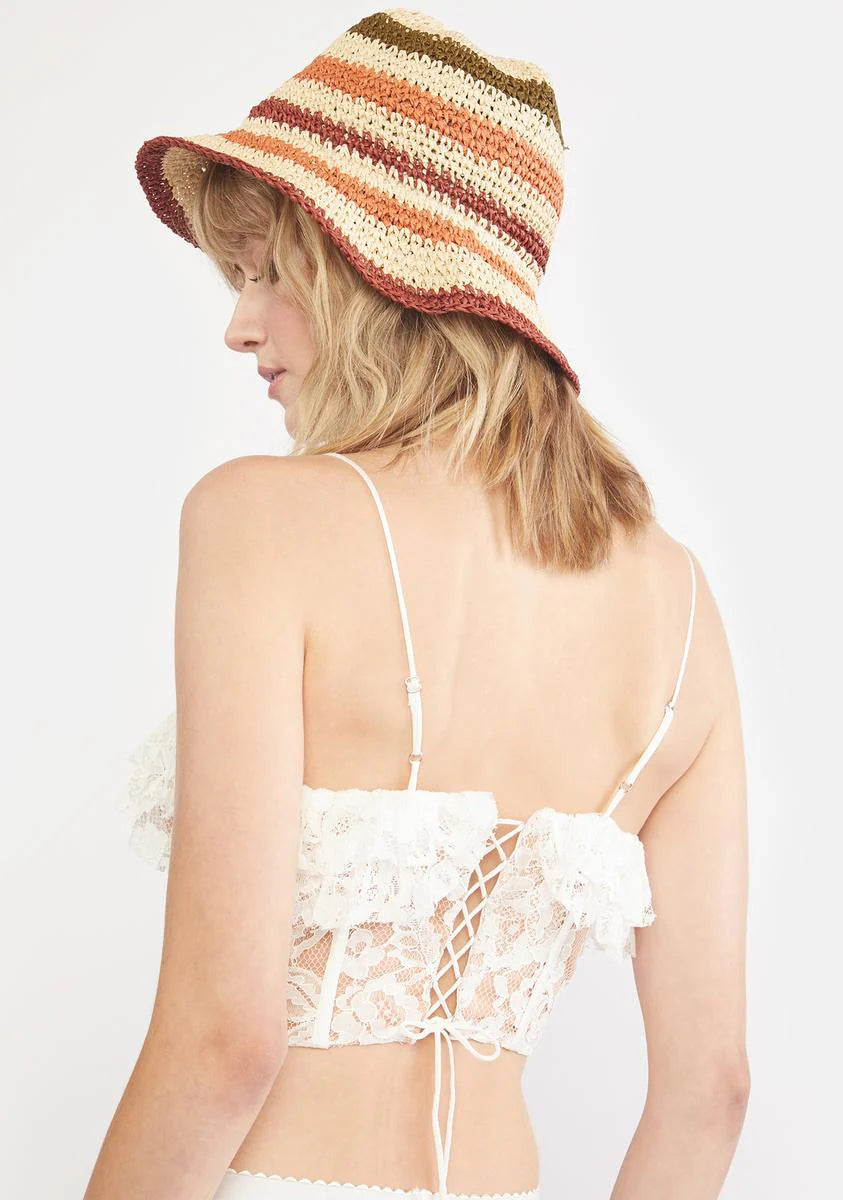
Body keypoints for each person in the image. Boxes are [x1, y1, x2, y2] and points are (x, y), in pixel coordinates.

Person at [86, 9, 749, 1200]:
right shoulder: (682, 605)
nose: (239, 323)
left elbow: (223, 1040)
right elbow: (711, 1091)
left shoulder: (258, 521)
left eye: (269, 270)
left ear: (377, 273)